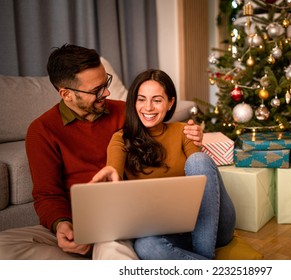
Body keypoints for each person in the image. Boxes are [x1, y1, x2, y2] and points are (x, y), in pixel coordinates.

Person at [0, 44, 203, 260]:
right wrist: (62, 225)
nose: (106, 92)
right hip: (76, 221)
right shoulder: (42, 130)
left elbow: (163, 133)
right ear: (66, 94)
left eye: (105, 82)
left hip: (116, 219)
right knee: (5, 245)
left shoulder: (125, 112)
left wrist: (193, 134)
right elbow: (47, 195)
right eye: (96, 90)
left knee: (114, 252)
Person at [92, 69, 236, 260]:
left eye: (157, 100)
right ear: (134, 103)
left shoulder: (184, 131)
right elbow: (114, 170)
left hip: (213, 223)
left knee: (198, 160)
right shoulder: (120, 140)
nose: (148, 107)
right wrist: (112, 174)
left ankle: (205, 257)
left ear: (170, 103)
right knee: (146, 246)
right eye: (141, 99)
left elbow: (202, 178)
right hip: (170, 231)